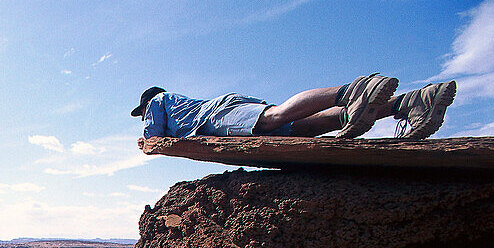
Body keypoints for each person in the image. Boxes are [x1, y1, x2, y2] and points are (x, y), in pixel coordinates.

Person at [131, 74, 457, 141]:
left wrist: (144, 141)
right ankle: (409, 103)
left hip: (218, 116)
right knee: (308, 126)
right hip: (223, 114)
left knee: (275, 116)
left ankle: (353, 90)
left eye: (142, 110)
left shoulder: (160, 101)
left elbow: (153, 136)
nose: (144, 115)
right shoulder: (177, 104)